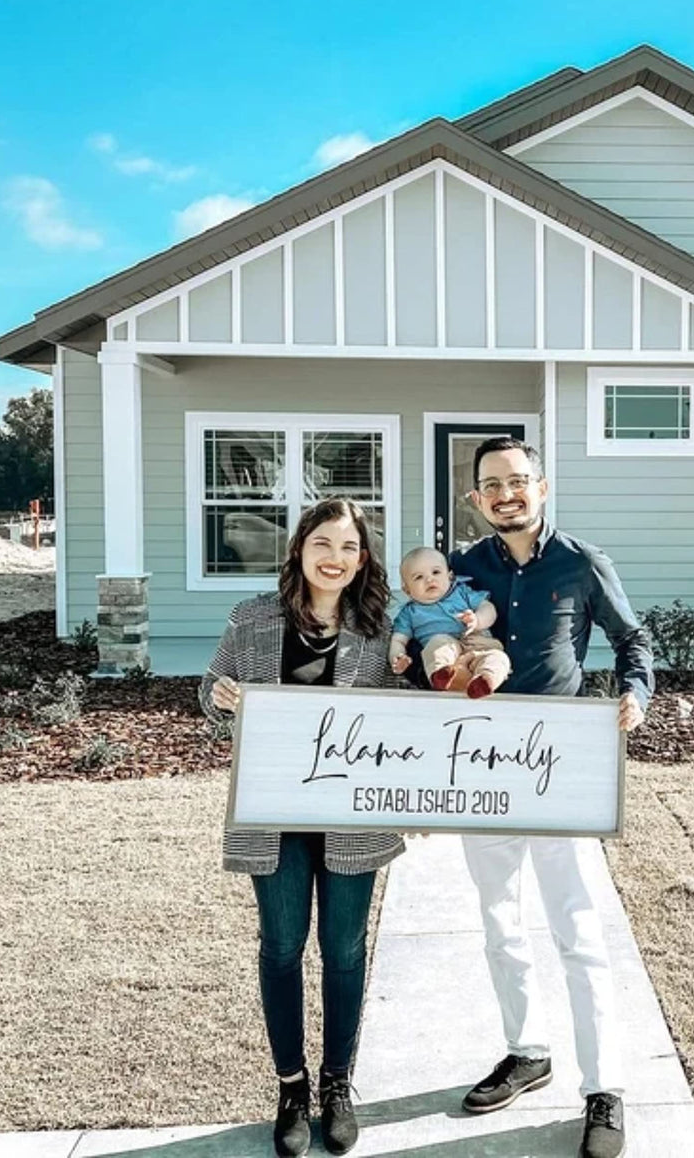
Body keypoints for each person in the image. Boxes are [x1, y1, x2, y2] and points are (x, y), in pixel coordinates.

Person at [449, 437, 652, 1158]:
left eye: (518, 481)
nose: (506, 494)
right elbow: (423, 647)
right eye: (491, 485)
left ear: (541, 486)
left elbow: (634, 641)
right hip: (481, 768)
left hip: (559, 765)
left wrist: (633, 693)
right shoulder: (462, 571)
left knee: (578, 929)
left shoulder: (582, 563)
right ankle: (526, 1051)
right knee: (499, 919)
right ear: (477, 499)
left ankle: (605, 1087)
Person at [200, 496, 404, 1158]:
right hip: (275, 814)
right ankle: (291, 1087)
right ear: (298, 549)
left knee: (344, 951)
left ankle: (337, 1084)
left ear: (362, 559)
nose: (336, 558)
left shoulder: (383, 629)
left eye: (350, 548)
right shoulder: (253, 618)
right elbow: (212, 694)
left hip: (352, 818)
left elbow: (412, 717)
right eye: (324, 544)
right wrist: (221, 698)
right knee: (282, 945)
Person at [388, 546, 511, 697]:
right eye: (418, 577)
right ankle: (441, 675)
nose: (429, 579)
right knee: (438, 643)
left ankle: (485, 681)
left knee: (499, 658)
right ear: (407, 590)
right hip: (447, 652)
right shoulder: (409, 612)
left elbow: (488, 608)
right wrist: (398, 657)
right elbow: (398, 640)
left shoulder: (462, 593)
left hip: (479, 645)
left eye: (436, 572)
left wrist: (477, 620)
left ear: (450, 576)